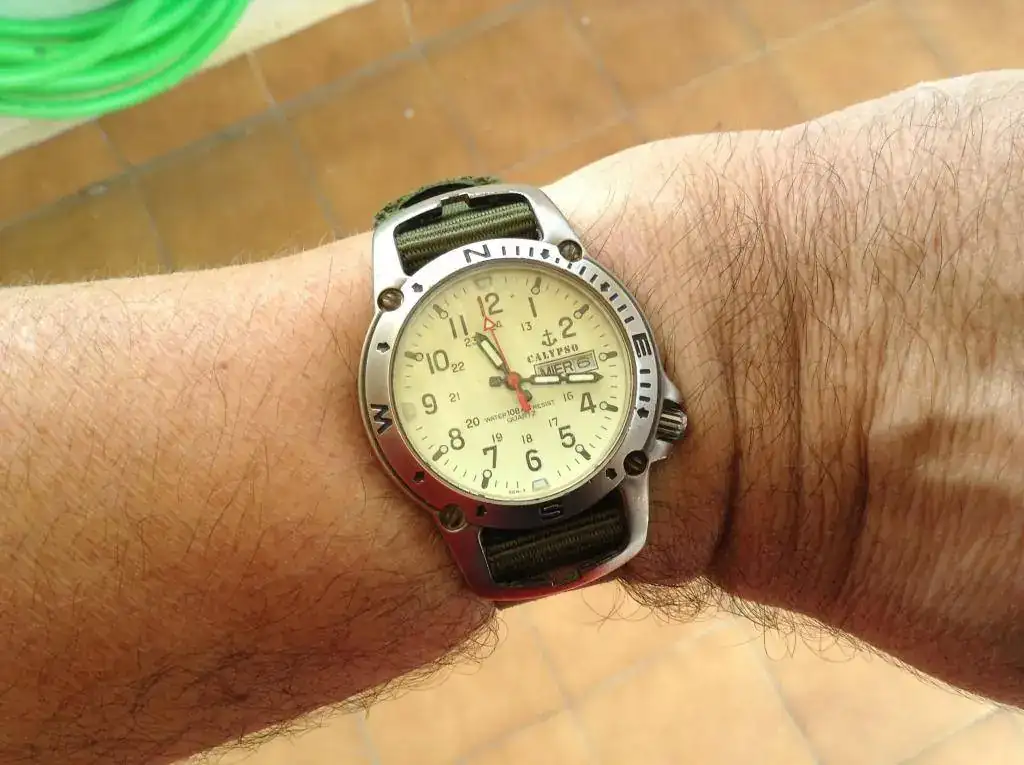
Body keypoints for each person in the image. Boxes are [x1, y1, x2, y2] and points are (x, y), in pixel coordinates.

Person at [1, 70, 1022, 764]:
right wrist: (784, 387)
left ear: (656, 405)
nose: (517, 389)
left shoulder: (587, 347)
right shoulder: (432, 446)